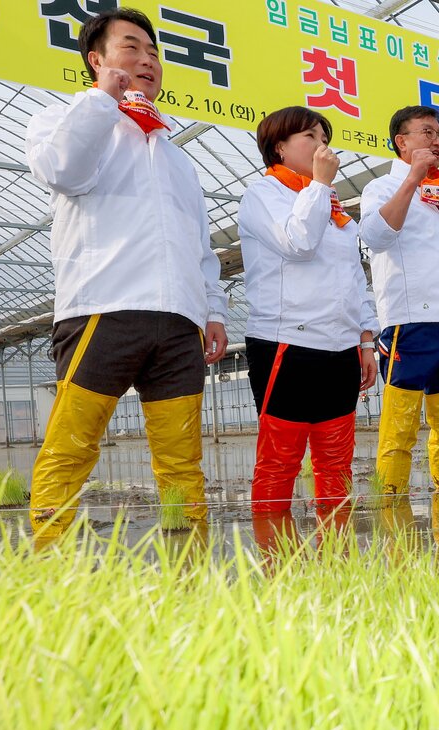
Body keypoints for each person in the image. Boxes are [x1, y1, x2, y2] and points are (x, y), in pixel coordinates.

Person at [26, 8, 227, 545]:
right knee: (71, 448)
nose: (147, 61)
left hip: (178, 321)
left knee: (181, 462)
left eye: (153, 53)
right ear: (97, 60)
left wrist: (211, 310)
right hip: (105, 306)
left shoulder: (176, 157)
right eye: (131, 47)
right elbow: (62, 170)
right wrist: (101, 101)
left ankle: (188, 580)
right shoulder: (65, 118)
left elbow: (200, 244)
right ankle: (49, 574)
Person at [240, 106, 378, 516]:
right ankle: (273, 564)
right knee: (280, 461)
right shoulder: (263, 194)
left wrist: (366, 339)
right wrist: (319, 185)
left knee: (336, 464)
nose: (322, 146)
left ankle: (335, 565)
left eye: (324, 139)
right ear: (279, 147)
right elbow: (297, 242)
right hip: (287, 342)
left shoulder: (336, 212)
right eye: (310, 138)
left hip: (340, 347)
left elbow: (355, 278)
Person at [361, 105, 439, 495]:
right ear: (402, 141)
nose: (436, 140)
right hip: (408, 324)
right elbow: (376, 237)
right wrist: (412, 178)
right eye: (426, 132)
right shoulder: (380, 187)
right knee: (401, 426)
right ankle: (391, 514)